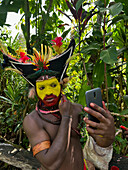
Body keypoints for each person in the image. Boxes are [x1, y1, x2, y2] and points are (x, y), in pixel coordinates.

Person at [1, 38, 115, 170]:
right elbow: (51, 163)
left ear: (61, 86)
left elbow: (101, 144)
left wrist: (108, 134)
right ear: (35, 92)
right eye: (42, 88)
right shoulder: (33, 121)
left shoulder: (78, 109)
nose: (49, 92)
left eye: (53, 85)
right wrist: (66, 117)